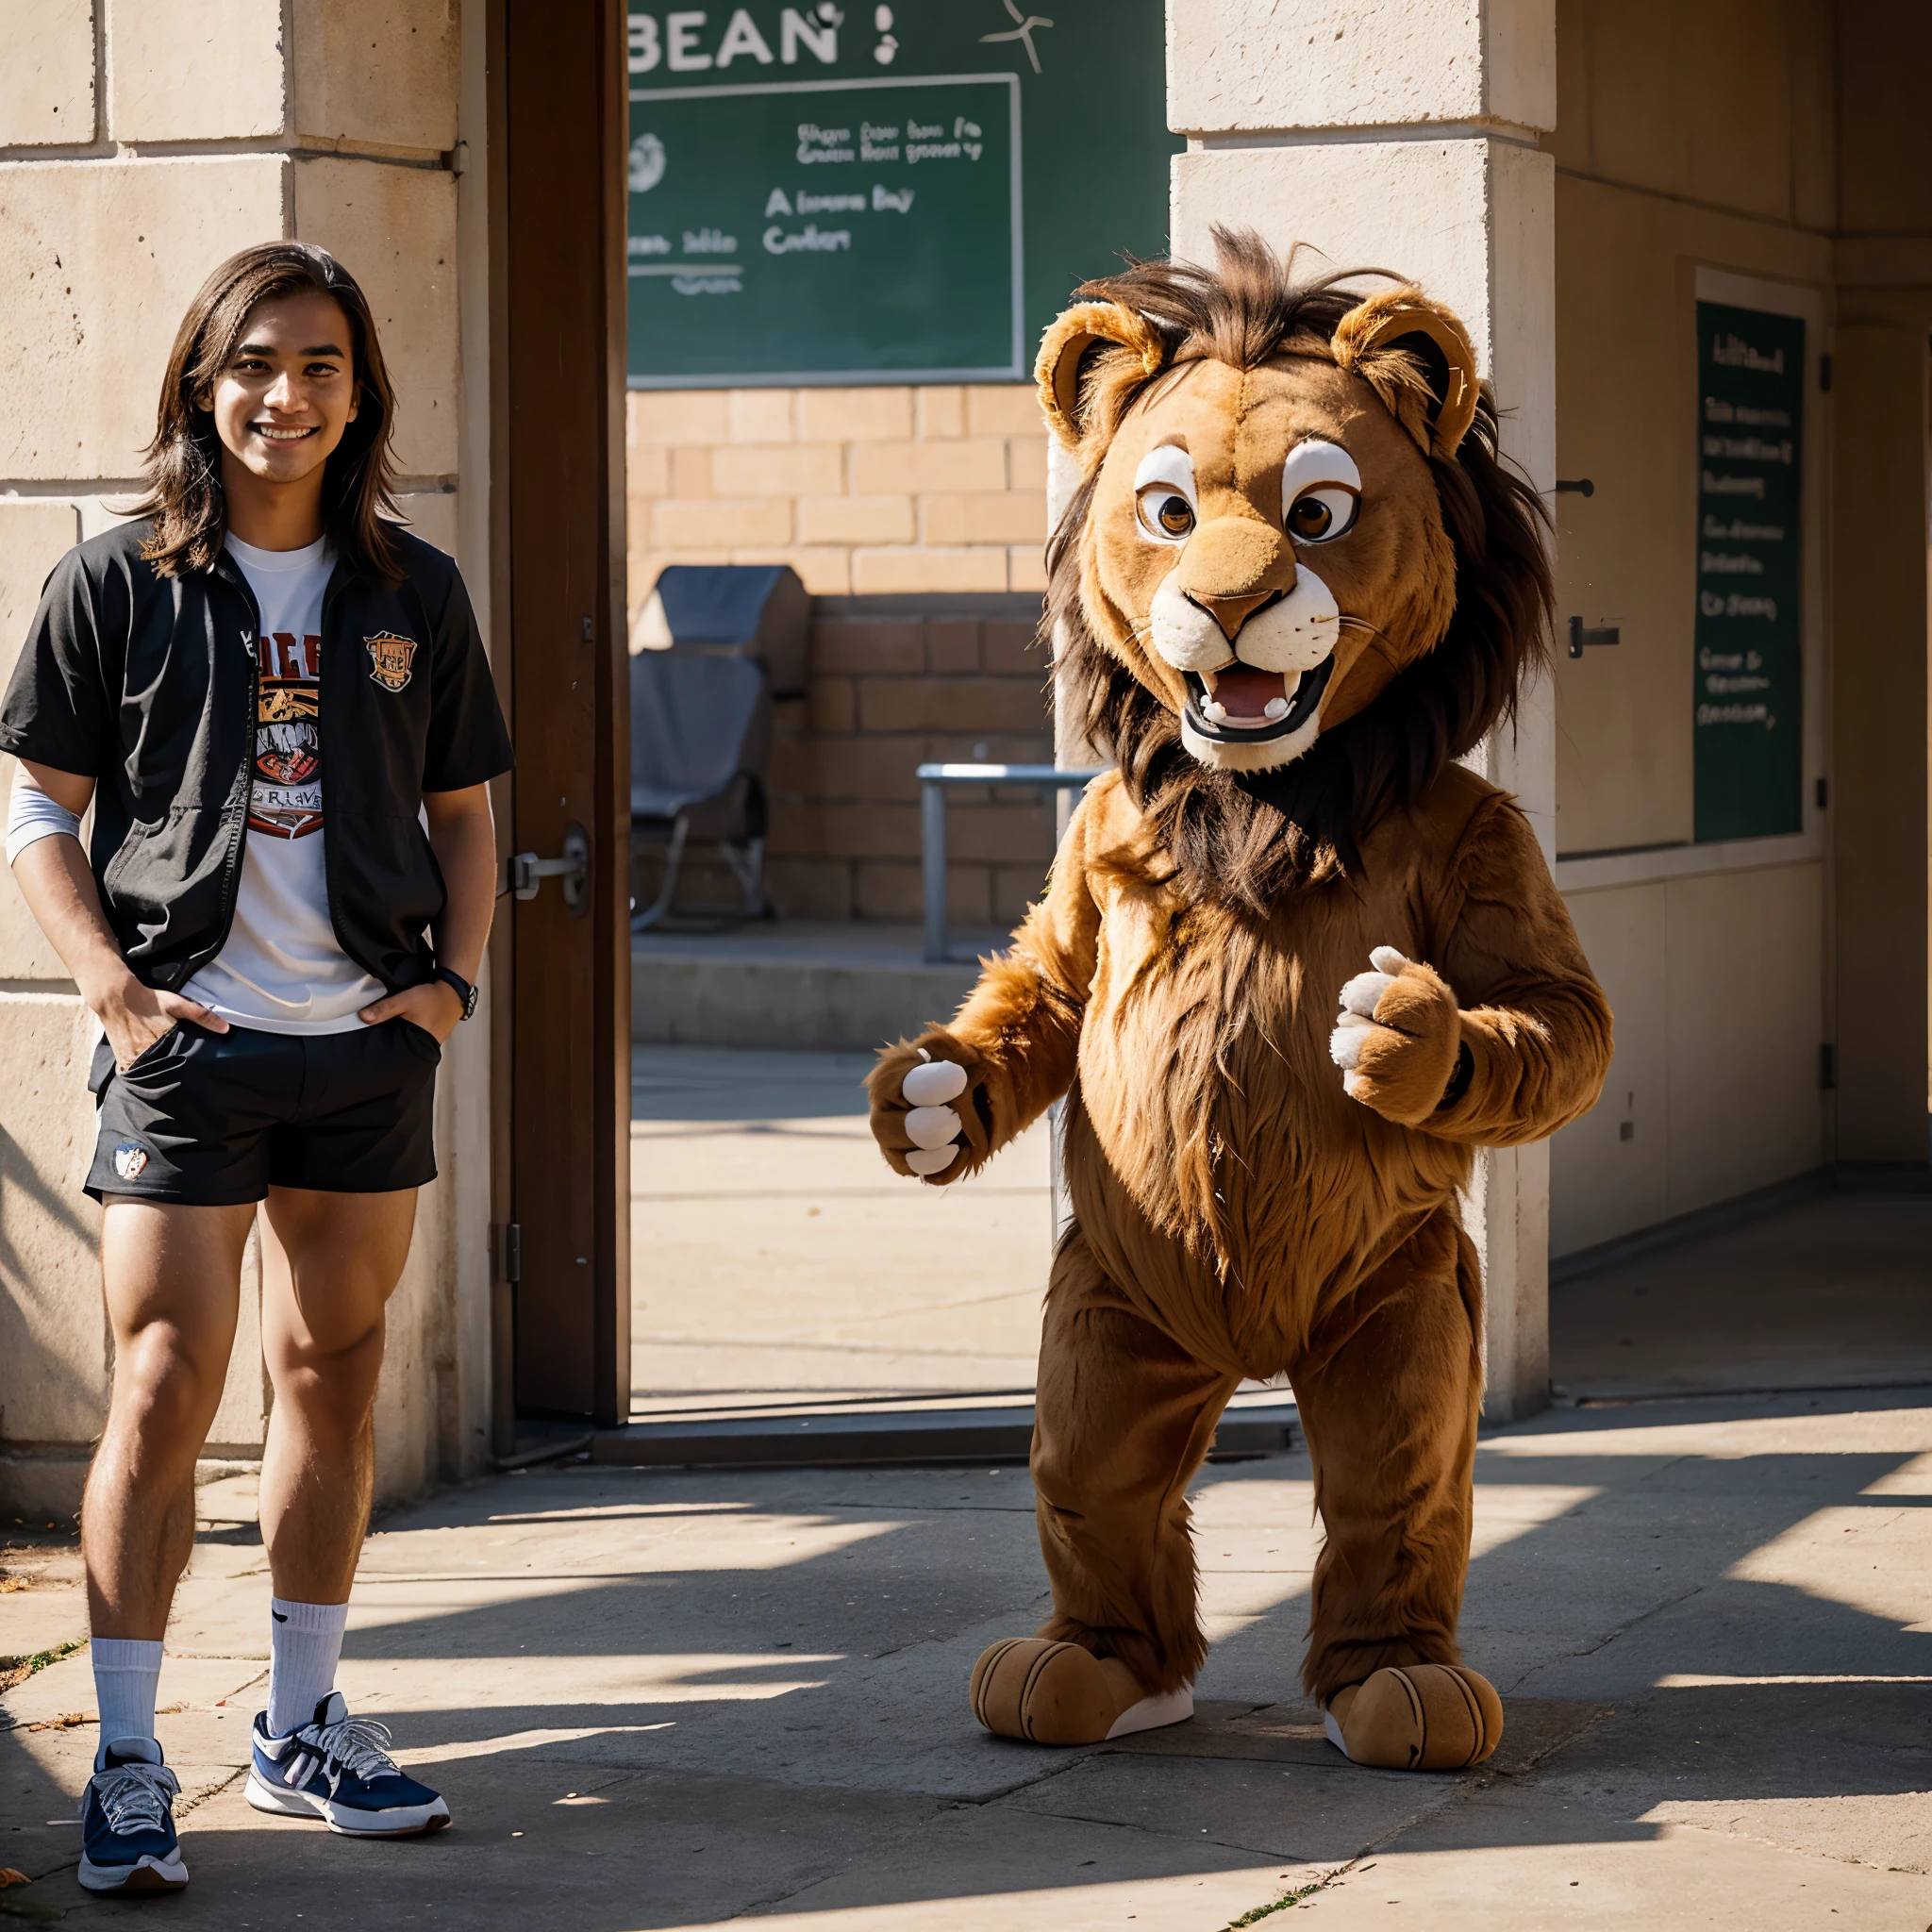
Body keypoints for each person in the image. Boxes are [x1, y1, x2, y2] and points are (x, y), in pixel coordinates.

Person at [0, 242, 512, 1893]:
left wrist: (451, 987)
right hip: (187, 1053)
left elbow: (465, 815)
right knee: (159, 1385)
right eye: (255, 365)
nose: (285, 398)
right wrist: (116, 994)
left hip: (364, 1044)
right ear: (201, 383)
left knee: (336, 1375)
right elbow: (36, 809)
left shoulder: (413, 590)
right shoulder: (116, 581)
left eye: (321, 368)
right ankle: (133, 1756)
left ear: (361, 394)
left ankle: (299, 1725)